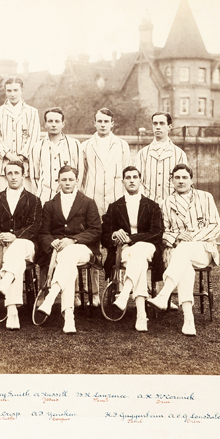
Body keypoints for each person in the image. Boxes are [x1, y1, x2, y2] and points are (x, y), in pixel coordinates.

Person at [147, 164, 220, 336]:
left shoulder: (205, 197)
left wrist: (192, 236)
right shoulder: (165, 203)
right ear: (171, 181)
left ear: (191, 179)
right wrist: (178, 236)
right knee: (184, 264)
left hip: (203, 249)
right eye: (177, 178)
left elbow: (215, 226)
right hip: (176, 250)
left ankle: (164, 294)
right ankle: (189, 319)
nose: (181, 181)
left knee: (185, 249)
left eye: (184, 177)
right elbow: (162, 232)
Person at [36, 166, 102, 333]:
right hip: (59, 252)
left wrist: (73, 240)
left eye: (70, 179)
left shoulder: (88, 202)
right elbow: (43, 232)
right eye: (63, 179)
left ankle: (51, 297)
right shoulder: (50, 205)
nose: (67, 182)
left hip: (84, 250)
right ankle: (69, 316)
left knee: (70, 252)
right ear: (58, 181)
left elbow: (95, 230)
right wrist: (52, 243)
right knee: (68, 262)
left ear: (76, 181)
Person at [101, 166, 164, 332]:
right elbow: (104, 234)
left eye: (135, 177)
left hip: (148, 247)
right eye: (127, 177)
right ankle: (141, 315)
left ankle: (124, 294)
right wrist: (115, 234)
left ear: (140, 180)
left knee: (141, 249)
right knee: (139, 261)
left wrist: (133, 238)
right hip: (125, 251)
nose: (131, 180)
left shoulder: (152, 206)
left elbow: (157, 233)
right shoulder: (115, 206)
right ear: (123, 182)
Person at [80, 107, 131, 305]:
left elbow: (127, 174)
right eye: (99, 121)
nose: (102, 124)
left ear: (112, 123)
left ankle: (115, 290)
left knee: (115, 246)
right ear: (94, 123)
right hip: (92, 201)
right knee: (92, 247)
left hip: (114, 201)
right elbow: (81, 176)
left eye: (106, 121)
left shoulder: (122, 145)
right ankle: (93, 293)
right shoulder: (85, 146)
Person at [0, 161, 42, 330]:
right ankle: (12, 312)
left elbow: (34, 225)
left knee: (18, 247)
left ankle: (4, 285)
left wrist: (15, 236)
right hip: (1, 248)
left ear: (23, 175)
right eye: (9, 173)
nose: (13, 176)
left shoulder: (34, 200)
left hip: (28, 247)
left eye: (17, 173)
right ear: (5, 176)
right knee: (16, 263)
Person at [0, 77, 41, 193]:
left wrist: (21, 157)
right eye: (9, 91)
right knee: (3, 203)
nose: (12, 94)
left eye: (16, 90)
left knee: (25, 203)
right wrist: (10, 156)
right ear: (5, 91)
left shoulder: (32, 112)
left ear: (22, 90)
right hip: (2, 168)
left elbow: (34, 138)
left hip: (25, 167)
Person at [30, 107, 81, 205]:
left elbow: (79, 173)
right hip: (44, 198)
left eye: (57, 121)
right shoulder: (36, 147)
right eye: (50, 121)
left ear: (63, 124)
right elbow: (34, 176)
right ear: (45, 124)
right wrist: (41, 193)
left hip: (69, 197)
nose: (53, 124)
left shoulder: (74, 144)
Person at [135, 112, 188, 205]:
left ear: (169, 127)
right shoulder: (142, 154)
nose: (158, 127)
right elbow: (137, 182)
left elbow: (183, 183)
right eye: (155, 123)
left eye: (162, 123)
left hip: (172, 206)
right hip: (147, 207)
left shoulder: (179, 154)